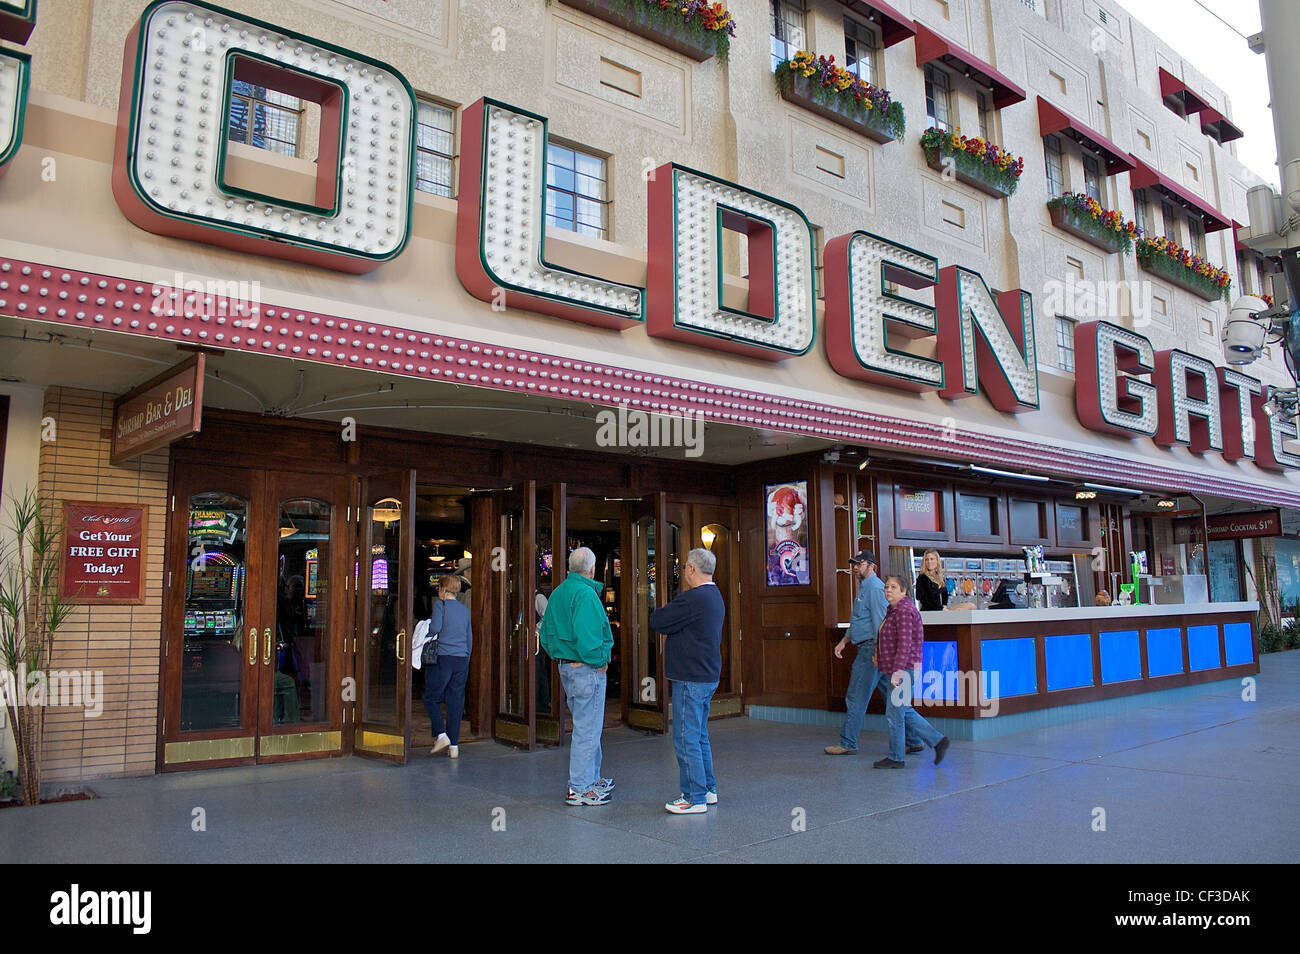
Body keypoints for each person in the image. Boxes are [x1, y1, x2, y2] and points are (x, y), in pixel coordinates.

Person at [649, 547, 726, 814]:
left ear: (692, 569)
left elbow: (658, 620)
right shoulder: (715, 596)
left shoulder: (694, 598)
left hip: (690, 677)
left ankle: (694, 798)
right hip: (706, 675)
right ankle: (708, 789)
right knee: (700, 735)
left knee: (686, 738)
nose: (683, 572)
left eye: (684, 568)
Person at [825, 551, 922, 756]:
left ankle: (848, 742)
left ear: (872, 565)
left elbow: (882, 623)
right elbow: (860, 620)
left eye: (859, 564)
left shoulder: (876, 588)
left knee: (855, 697)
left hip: (871, 651)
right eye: (854, 564)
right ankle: (915, 739)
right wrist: (844, 641)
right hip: (871, 649)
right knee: (894, 698)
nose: (855, 567)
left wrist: (879, 653)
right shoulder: (864, 588)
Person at [539, 547, 615, 807]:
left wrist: (562, 657)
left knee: (586, 725)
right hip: (585, 668)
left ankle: (591, 780)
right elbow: (589, 638)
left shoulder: (558, 592)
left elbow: (546, 634)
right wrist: (600, 660)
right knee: (588, 728)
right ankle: (580, 787)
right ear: (592, 569)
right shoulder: (586, 594)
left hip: (566, 666)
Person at [871, 576, 949, 769]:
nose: (888, 590)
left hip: (903, 669)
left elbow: (904, 644)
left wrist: (897, 672)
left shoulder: (904, 611)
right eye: (887, 587)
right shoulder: (894, 610)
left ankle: (897, 757)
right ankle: (938, 741)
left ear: (904, 591)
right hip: (901, 668)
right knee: (902, 709)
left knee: (895, 713)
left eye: (893, 587)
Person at [422, 575, 473, 759]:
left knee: (431, 696)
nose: (438, 591)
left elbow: (435, 627)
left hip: (443, 657)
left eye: (438, 588)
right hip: (461, 659)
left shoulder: (439, 606)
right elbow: (469, 637)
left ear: (443, 589)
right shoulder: (464, 610)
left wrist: (423, 631)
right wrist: (467, 657)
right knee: (455, 702)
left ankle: (441, 734)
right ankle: (454, 746)